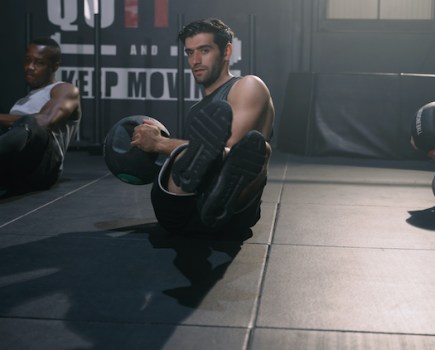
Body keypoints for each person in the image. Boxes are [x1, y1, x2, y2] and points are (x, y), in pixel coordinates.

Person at [131, 18, 274, 236]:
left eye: (204, 50)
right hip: (182, 209)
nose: (195, 60)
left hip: (233, 213)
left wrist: (159, 142)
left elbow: (231, 148)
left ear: (226, 52)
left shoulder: (247, 86)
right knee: (188, 157)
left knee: (260, 148)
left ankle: (216, 199)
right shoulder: (198, 111)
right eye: (189, 53)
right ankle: (210, 197)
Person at [0, 37, 81, 194]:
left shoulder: (65, 89)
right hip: (14, 168)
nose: (30, 67)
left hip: (41, 169)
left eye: (39, 63)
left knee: (31, 122)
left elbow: (45, 121)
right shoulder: (20, 103)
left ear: (55, 66)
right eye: (27, 60)